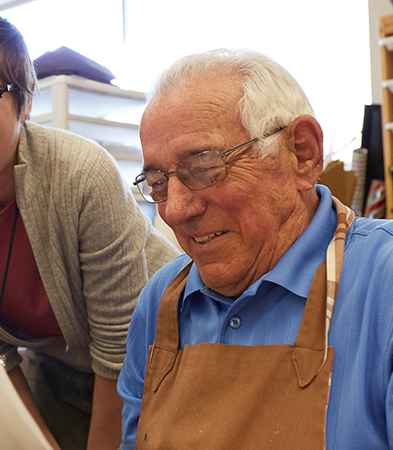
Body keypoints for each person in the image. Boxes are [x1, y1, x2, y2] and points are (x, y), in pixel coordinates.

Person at [0, 5, 179, 449]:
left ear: (24, 100)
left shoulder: (82, 175)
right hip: (57, 371)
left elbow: (118, 350)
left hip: (160, 360)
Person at [117, 48, 393, 449]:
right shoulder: (160, 300)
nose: (174, 211)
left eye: (203, 167)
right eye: (157, 181)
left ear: (302, 153)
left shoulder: (382, 283)